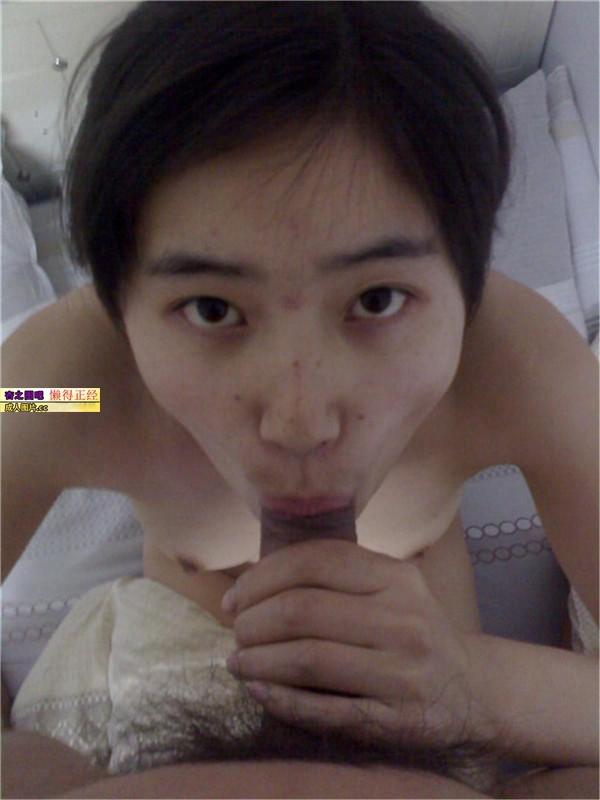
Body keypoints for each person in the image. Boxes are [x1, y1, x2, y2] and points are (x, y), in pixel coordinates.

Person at [1, 2, 598, 797]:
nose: (301, 423)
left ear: (468, 281)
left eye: (378, 299)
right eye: (212, 309)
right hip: (159, 705)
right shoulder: (80, 391)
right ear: (118, 305)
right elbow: (17, 407)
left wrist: (471, 685)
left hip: (438, 717)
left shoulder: (514, 370)